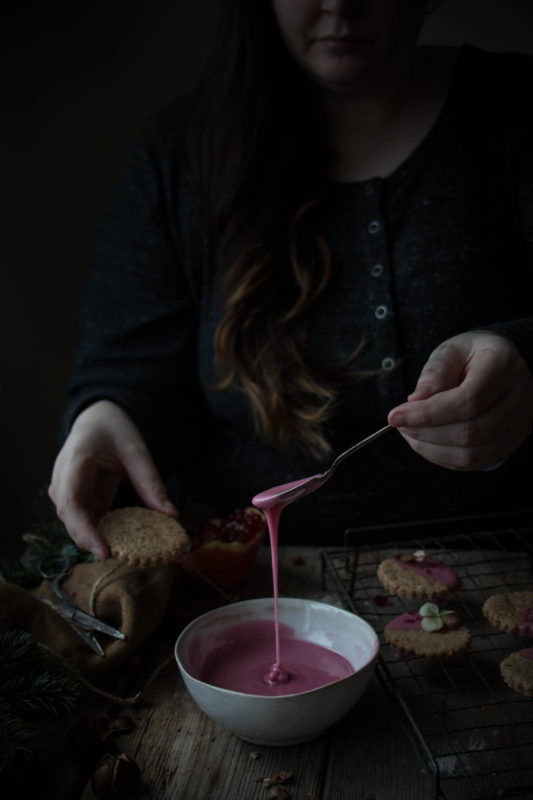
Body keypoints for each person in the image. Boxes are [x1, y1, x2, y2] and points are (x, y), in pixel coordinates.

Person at [49, 0, 533, 560]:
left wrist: (524, 358)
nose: (339, 3)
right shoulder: (181, 152)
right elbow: (127, 367)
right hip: (246, 574)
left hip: (505, 559)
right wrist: (104, 414)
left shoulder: (514, 111)